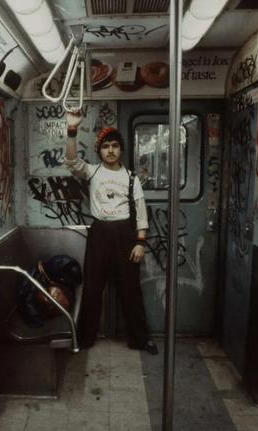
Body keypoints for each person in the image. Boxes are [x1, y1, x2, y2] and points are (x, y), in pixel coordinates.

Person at [64, 111, 158, 355]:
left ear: (121, 150)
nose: (111, 150)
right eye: (106, 146)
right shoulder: (93, 172)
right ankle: (85, 338)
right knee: (93, 287)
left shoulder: (131, 178)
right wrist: (72, 130)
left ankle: (140, 339)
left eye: (115, 146)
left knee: (130, 289)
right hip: (100, 233)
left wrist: (140, 242)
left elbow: (141, 212)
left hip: (125, 235)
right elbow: (72, 162)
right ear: (100, 151)